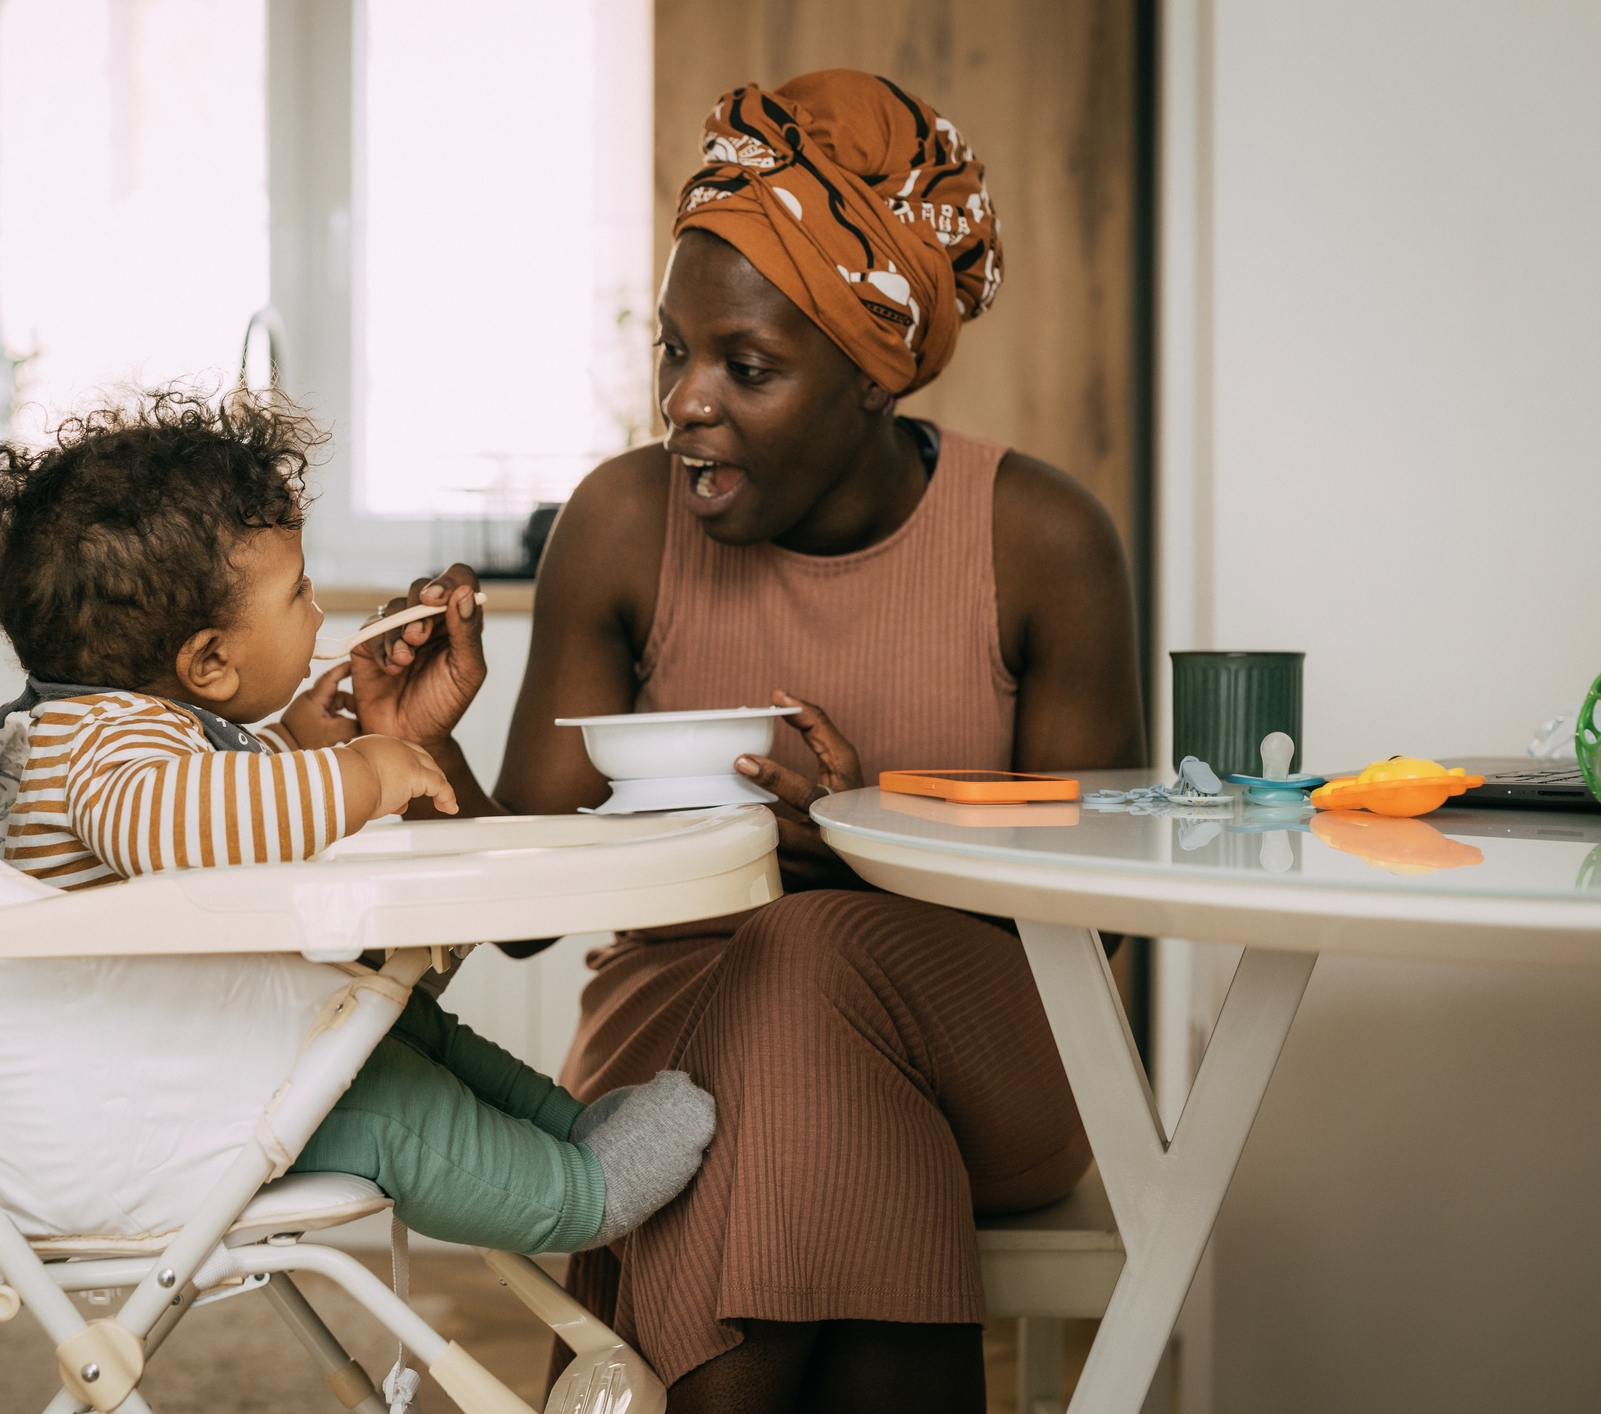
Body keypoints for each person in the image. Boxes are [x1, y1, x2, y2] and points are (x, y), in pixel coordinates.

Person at [344, 71, 1144, 1411]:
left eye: (748, 367)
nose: (686, 401)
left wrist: (859, 838)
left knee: (798, 949)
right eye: (673, 350)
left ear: (873, 376)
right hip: (674, 1034)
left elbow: (1099, 922)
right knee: (787, 1041)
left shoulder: (1040, 540)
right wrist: (422, 748)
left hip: (984, 1050)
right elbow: (533, 911)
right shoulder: (618, 521)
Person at [0, 386, 717, 1256]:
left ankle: (570, 1130)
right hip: (155, 1110)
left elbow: (197, 816)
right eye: (299, 591)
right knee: (383, 1099)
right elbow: (156, 827)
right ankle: (581, 1197)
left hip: (192, 1067)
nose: (318, 610)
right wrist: (352, 774)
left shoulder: (122, 729)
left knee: (389, 1020)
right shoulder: (100, 743)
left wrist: (290, 743)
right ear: (207, 660)